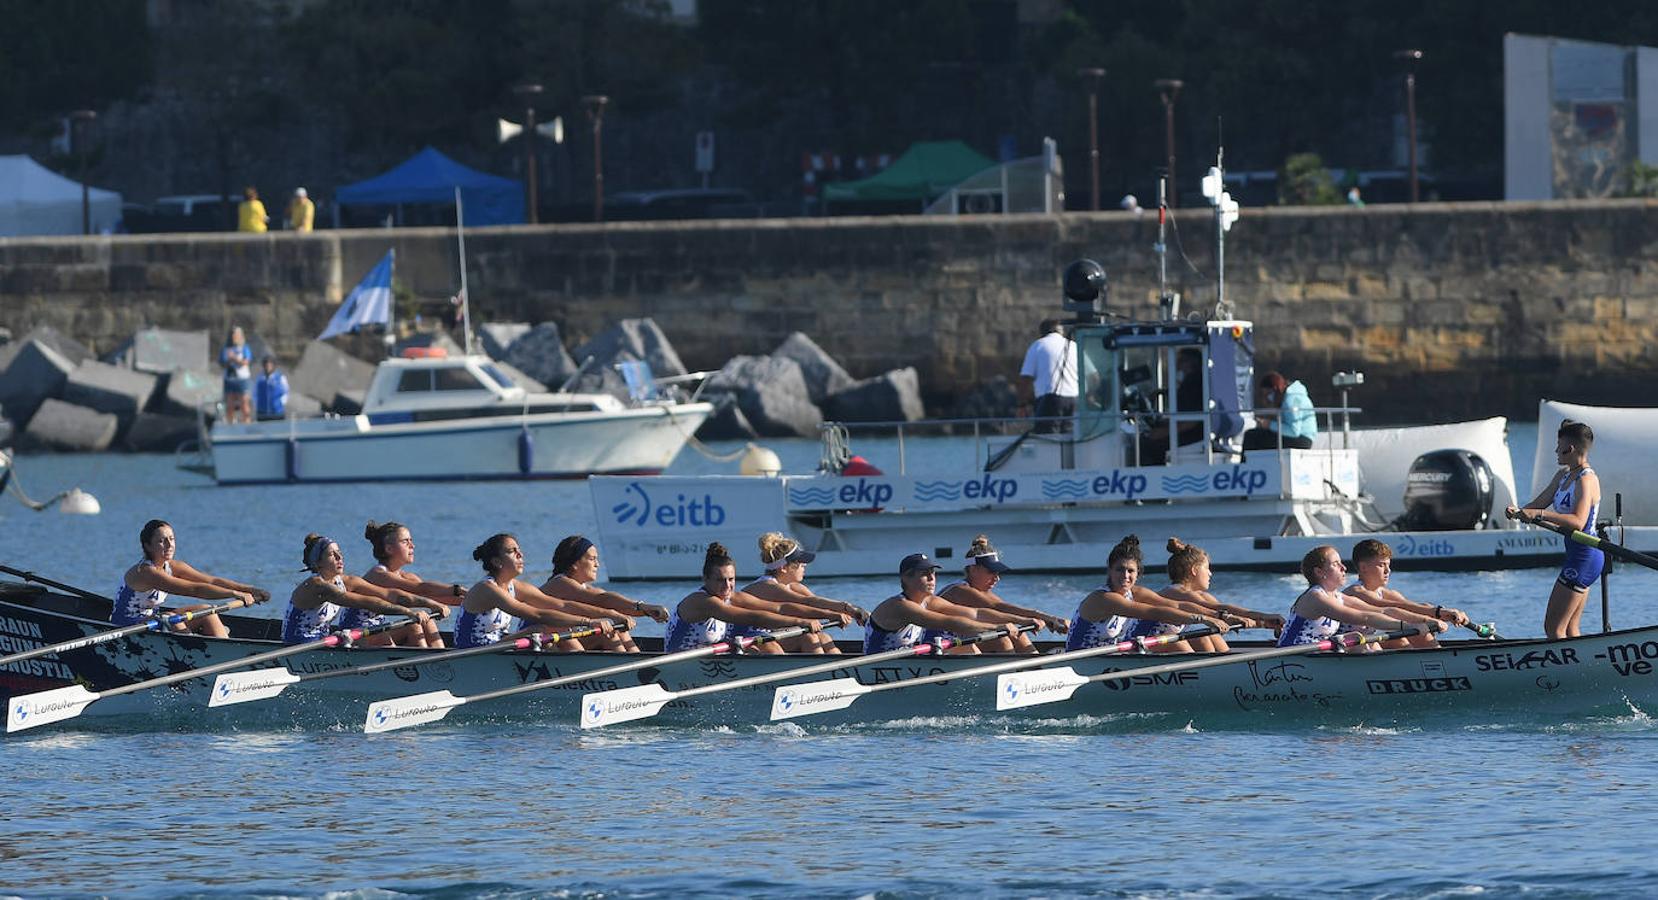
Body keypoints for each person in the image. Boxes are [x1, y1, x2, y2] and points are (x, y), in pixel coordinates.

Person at [1505, 419, 1603, 638]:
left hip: (1585, 556)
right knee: (1569, 628)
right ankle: (1583, 670)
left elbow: (1578, 521)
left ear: (1570, 449)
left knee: (1553, 628)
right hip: (1577, 555)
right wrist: (1519, 511)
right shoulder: (1563, 476)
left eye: (1559, 446)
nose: (1555, 451)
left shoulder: (1586, 480)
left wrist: (1538, 515)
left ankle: (1568, 672)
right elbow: (1538, 504)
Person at [453, 533, 621, 650]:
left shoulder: (517, 587)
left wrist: (611, 614)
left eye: (519, 549)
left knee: (552, 627)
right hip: (474, 652)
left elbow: (562, 605)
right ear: (497, 562)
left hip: (499, 645)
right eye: (512, 551)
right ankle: (581, 679)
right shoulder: (487, 589)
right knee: (542, 628)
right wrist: (588, 622)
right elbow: (537, 614)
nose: (521, 555)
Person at [1065, 536, 1231, 654]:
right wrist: (1202, 619)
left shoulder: (1136, 592)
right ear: (1109, 571)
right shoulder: (1104, 598)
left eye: (1131, 571)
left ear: (1138, 573)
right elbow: (1154, 612)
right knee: (1183, 642)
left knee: (1200, 637)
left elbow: (1176, 605)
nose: (1125, 575)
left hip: (1110, 659)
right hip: (1082, 662)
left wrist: (1218, 616)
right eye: (1119, 569)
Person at [664, 542, 834, 654]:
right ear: (705, 579)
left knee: (810, 639)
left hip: (711, 661)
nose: (727, 586)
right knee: (770, 648)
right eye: (720, 580)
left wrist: (831, 615)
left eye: (731, 579)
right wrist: (801, 622)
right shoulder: (703, 602)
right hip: (681, 665)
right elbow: (754, 617)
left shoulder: (733, 596)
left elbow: (780, 608)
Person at [283, 533, 448, 647]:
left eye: (339, 552)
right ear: (318, 563)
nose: (340, 558)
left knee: (414, 626)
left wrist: (432, 604)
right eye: (332, 555)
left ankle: (438, 664)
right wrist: (408, 612)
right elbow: (368, 602)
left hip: (325, 644)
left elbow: (391, 594)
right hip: (299, 645)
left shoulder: (347, 581)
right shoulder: (316, 585)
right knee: (395, 629)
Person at [112, 519, 268, 638]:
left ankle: (225, 650)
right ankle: (194, 654)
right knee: (171, 618)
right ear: (148, 546)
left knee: (207, 610)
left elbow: (210, 581)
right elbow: (194, 589)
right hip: (127, 627)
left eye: (171, 539)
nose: (169, 545)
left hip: (152, 619)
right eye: (161, 541)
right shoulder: (146, 572)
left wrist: (249, 589)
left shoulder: (172, 566)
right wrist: (234, 594)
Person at [1276, 546, 1444, 649]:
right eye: (1336, 564)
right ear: (1319, 572)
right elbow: (1365, 617)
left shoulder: (1337, 596)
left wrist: (1426, 621)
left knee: (1359, 642)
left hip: (1317, 654)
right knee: (1357, 643)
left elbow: (1385, 610)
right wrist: (1407, 625)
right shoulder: (1316, 598)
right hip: (1293, 658)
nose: (1344, 567)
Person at [863, 553, 1028, 654]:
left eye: (933, 573)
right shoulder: (900, 606)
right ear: (906, 577)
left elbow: (976, 613)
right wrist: (996, 628)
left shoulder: (929, 600)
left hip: (908, 662)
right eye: (924, 574)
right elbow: (949, 622)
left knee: (965, 648)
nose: (931, 579)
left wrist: (1022, 621)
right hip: (878, 667)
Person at [735, 533, 868, 654]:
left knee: (823, 637)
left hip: (770, 634)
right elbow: (808, 603)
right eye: (800, 563)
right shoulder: (767, 587)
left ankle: (841, 673)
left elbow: (817, 602)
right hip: (746, 638)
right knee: (809, 639)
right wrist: (841, 610)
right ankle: (822, 676)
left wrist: (854, 612)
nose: (804, 565)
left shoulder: (794, 587)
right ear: (783, 568)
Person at [934, 534, 1068, 653]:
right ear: (973, 570)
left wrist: (1053, 619)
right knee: (1002, 639)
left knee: (1016, 633)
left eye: (997, 573)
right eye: (991, 572)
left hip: (958, 639)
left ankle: (1037, 669)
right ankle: (1014, 676)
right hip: (936, 643)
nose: (997, 578)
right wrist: (1043, 618)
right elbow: (998, 607)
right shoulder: (959, 591)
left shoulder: (983, 592)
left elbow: (1007, 609)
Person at [539, 535, 670, 653]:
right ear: (575, 564)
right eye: (592, 559)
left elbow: (613, 603)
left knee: (620, 630)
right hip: (539, 640)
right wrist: (640, 606)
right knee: (607, 633)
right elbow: (600, 599)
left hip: (562, 637)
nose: (598, 564)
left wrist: (647, 611)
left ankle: (639, 663)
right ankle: (630, 670)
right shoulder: (560, 583)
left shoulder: (584, 587)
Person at [1342, 538, 1468, 648]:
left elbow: (1411, 606)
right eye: (1382, 565)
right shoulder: (1356, 592)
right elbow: (1395, 609)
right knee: (1406, 636)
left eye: (1388, 565)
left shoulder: (1385, 592)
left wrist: (1447, 614)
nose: (1388, 571)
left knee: (1414, 633)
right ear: (1363, 567)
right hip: (1347, 645)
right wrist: (1432, 617)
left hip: (1369, 641)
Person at [1158, 538, 1285, 643]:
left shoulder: (1201, 596)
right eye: (1207, 568)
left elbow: (1227, 613)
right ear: (1195, 570)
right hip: (1153, 637)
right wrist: (1264, 616)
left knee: (1213, 637)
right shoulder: (1176, 593)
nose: (1210, 574)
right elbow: (1220, 608)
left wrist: (1265, 623)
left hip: (1170, 638)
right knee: (1203, 639)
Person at [1018, 318, 1077, 434]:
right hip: (1076, 401)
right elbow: (1093, 376)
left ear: (1042, 332)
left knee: (1048, 440)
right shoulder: (1074, 346)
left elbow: (1026, 378)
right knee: (1072, 437)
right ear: (1061, 332)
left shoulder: (1038, 346)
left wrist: (1022, 404)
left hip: (1051, 400)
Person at [1243, 371, 1316, 451]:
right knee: (1258, 434)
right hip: (1301, 438)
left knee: (1251, 436)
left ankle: (1246, 463)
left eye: (1267, 394)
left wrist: (1269, 424)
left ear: (1275, 390)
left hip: (1301, 440)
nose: (1267, 398)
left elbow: (1293, 431)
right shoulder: (1289, 397)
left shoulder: (1290, 401)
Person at [220, 327, 253, 424]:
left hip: (242, 379)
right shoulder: (226, 349)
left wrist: (234, 358)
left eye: (236, 334)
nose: (234, 337)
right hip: (230, 379)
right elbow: (222, 363)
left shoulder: (244, 348)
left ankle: (246, 422)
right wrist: (229, 360)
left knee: (244, 403)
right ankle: (230, 423)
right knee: (230, 404)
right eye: (233, 334)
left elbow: (246, 362)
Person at [254, 356, 289, 420]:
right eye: (266, 366)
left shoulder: (280, 378)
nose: (267, 368)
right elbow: (255, 393)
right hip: (262, 412)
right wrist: (257, 403)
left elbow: (286, 392)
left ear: (273, 366)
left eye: (269, 366)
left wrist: (280, 402)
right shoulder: (260, 378)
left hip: (277, 412)